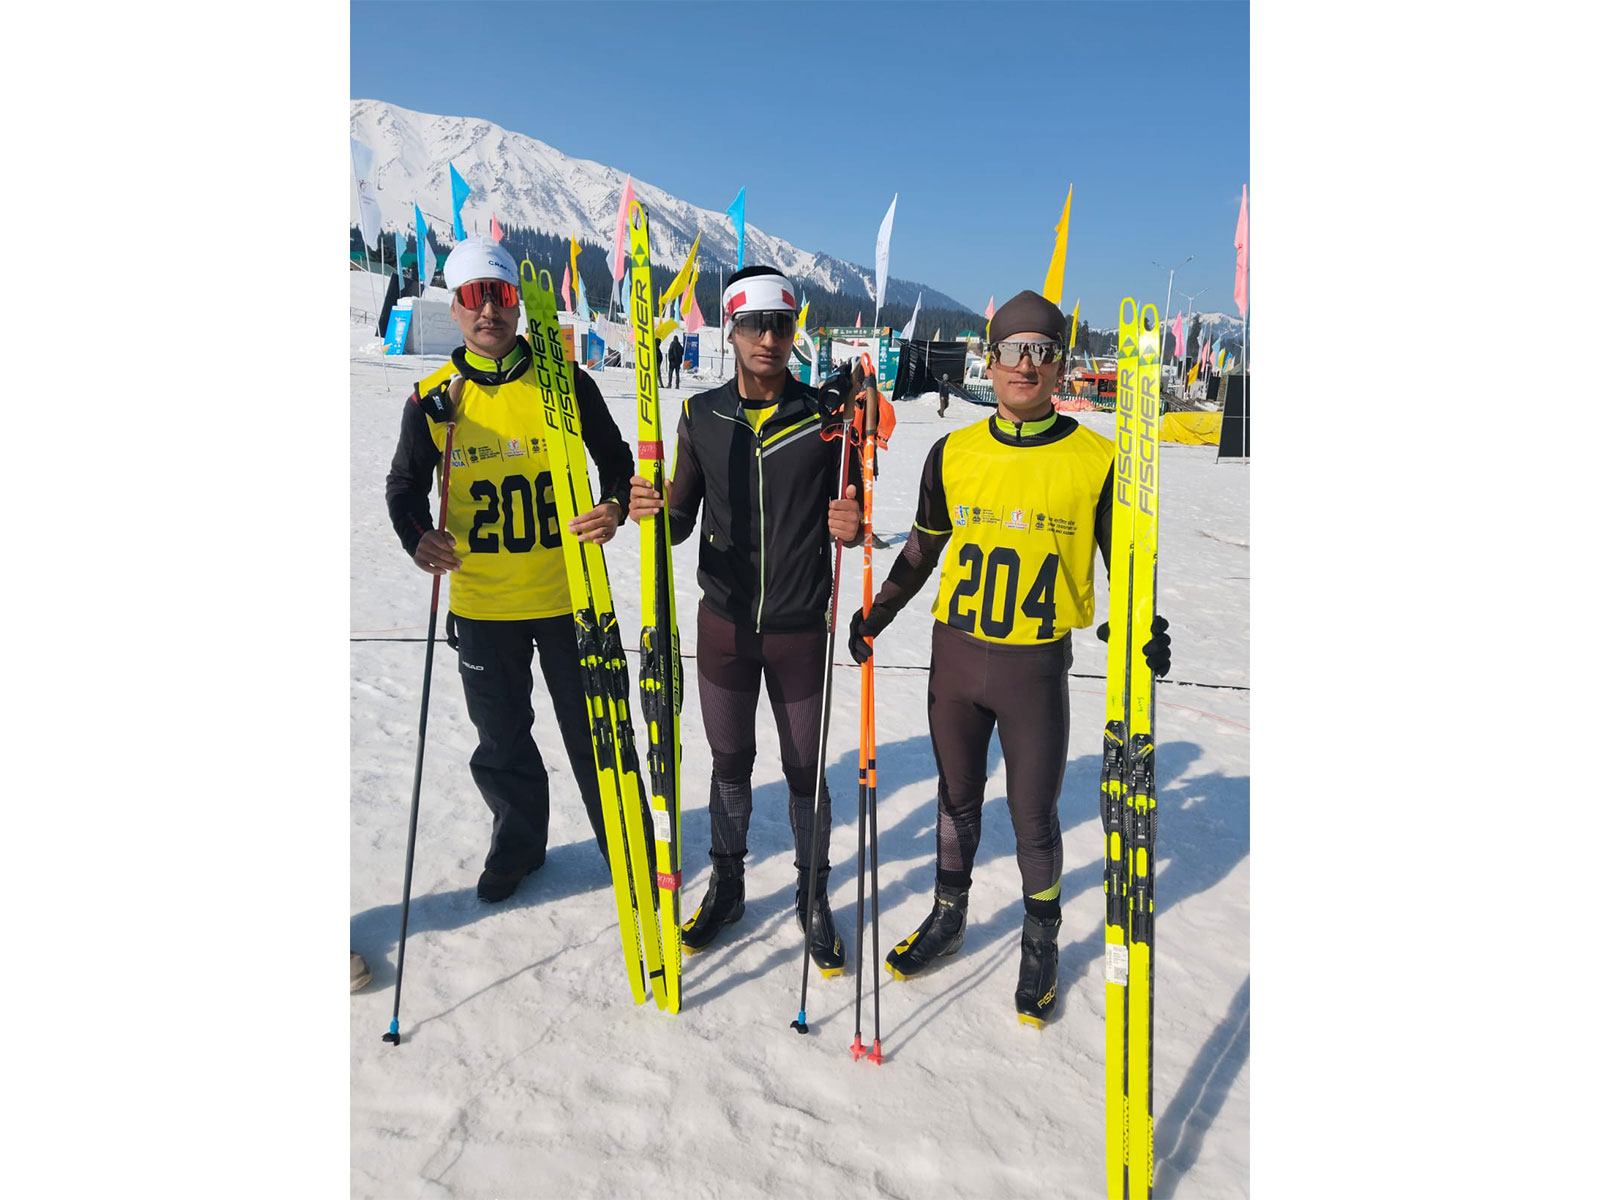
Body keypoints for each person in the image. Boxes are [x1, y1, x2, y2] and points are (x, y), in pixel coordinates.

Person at [845, 290, 1172, 1025]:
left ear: (1060, 366)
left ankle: (1040, 937)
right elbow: (924, 547)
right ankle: (948, 914)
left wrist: (1144, 625)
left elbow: (1130, 563)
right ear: (988, 361)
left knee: (1033, 813)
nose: (1026, 364)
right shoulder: (952, 451)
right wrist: (879, 612)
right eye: (1012, 349)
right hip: (954, 659)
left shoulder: (1097, 459)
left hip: (1034, 668)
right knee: (955, 798)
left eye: (1042, 351)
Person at [628, 264, 864, 975]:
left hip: (798, 626)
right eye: (755, 324)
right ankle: (727, 886)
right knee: (730, 763)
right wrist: (647, 507)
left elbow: (852, 512)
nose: (769, 338)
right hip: (724, 626)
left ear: (795, 331)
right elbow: (677, 520)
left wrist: (852, 525)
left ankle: (812, 894)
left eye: (782, 324)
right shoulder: (702, 416)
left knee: (801, 768)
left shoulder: (827, 418)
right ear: (730, 329)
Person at [385, 237, 635, 903]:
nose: (487, 310)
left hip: (569, 595)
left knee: (595, 732)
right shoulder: (435, 398)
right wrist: (419, 539)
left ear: (517, 304)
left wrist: (613, 507)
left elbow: (617, 460)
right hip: (483, 601)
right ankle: (519, 843)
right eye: (473, 297)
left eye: (498, 295)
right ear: (456, 308)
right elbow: (403, 489)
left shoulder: (561, 380)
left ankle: (625, 841)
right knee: (501, 741)